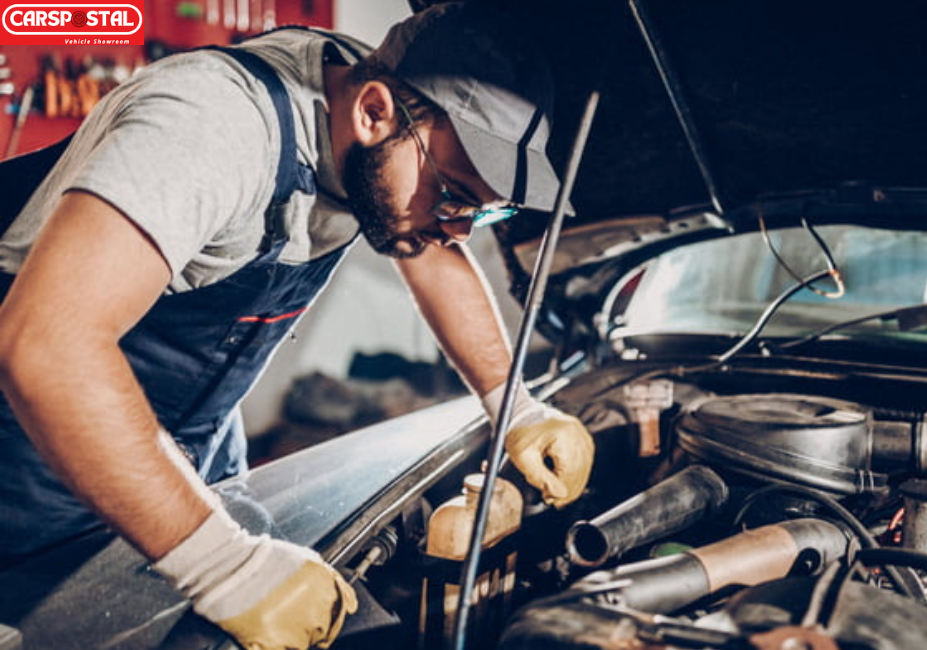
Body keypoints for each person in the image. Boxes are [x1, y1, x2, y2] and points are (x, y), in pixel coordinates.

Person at [0, 3, 594, 649]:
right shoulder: (207, 127)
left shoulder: (374, 112)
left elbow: (429, 249)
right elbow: (49, 349)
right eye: (452, 196)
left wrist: (516, 406)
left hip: (194, 438)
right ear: (373, 113)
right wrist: (222, 565)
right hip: (40, 454)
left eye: (479, 214)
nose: (455, 229)